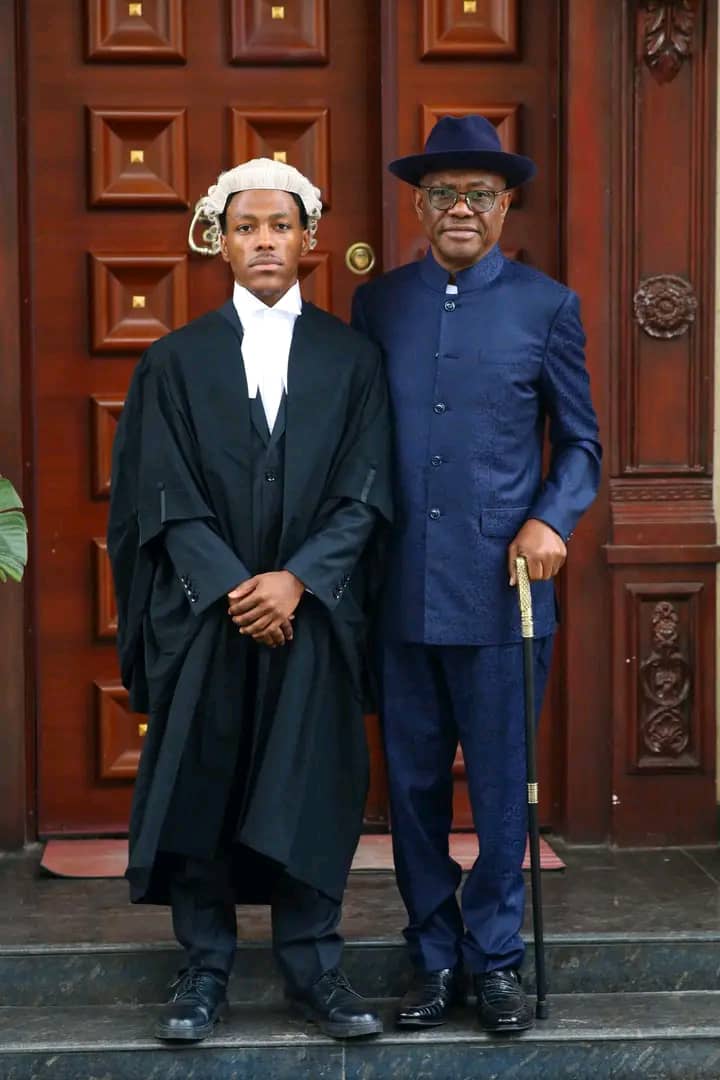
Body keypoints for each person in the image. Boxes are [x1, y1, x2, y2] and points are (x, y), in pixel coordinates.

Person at [108, 157, 392, 1042]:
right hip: (208, 614)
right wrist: (236, 586)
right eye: (245, 227)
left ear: (308, 240)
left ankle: (316, 968)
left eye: (279, 226)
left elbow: (366, 489)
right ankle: (204, 969)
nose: (263, 240)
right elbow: (158, 491)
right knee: (202, 781)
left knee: (312, 781)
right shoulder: (173, 361)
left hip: (313, 611)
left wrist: (297, 579)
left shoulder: (353, 360)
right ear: (219, 242)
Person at [351, 115, 601, 1033]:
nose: (461, 208)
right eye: (444, 193)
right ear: (420, 207)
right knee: (412, 789)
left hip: (505, 595)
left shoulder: (547, 306)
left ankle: (496, 959)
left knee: (500, 789)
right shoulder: (379, 305)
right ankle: (432, 956)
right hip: (401, 589)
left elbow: (581, 444)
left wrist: (550, 518)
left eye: (480, 194)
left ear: (505, 206)